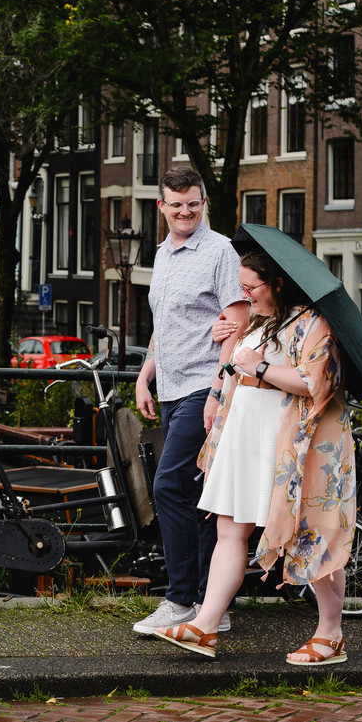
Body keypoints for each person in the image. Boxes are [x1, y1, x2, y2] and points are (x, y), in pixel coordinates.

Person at [152, 251, 355, 664]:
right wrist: (226, 348)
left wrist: (259, 366)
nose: (245, 294)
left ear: (277, 284)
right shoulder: (261, 322)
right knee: (229, 529)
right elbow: (234, 368)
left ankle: (330, 635)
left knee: (313, 533)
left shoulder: (312, 322)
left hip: (289, 444)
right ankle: (205, 625)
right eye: (241, 288)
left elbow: (314, 383)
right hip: (245, 437)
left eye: (252, 288)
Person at [132, 166, 249, 635]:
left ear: (204, 204)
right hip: (171, 388)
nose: (185, 212)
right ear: (161, 206)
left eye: (193, 204)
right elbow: (164, 325)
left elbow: (236, 320)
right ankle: (210, 606)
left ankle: (180, 600)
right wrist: (144, 376)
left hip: (204, 386)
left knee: (168, 486)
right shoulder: (162, 253)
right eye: (176, 204)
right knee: (200, 497)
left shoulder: (220, 250)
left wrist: (220, 389)